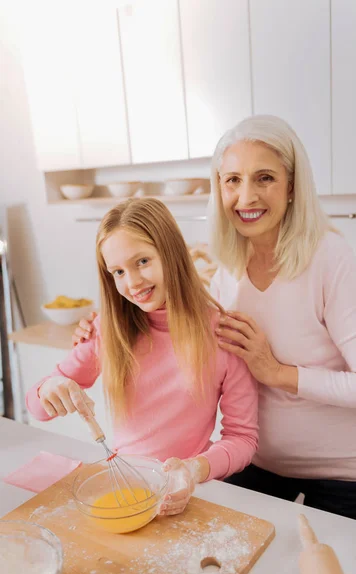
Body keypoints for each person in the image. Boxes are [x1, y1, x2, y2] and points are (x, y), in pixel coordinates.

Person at [73, 115, 356, 527]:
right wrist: (102, 324)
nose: (246, 197)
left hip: (348, 476)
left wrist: (279, 373)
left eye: (264, 178)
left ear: (292, 185)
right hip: (259, 465)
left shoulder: (329, 258)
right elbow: (186, 319)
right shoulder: (229, 261)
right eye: (232, 180)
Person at [27, 197, 258, 517]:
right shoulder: (107, 330)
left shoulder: (222, 335)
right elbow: (36, 409)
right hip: (125, 489)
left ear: (171, 253)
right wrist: (50, 387)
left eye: (142, 262)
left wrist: (194, 470)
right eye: (118, 271)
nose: (132, 282)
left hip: (193, 493)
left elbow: (243, 439)